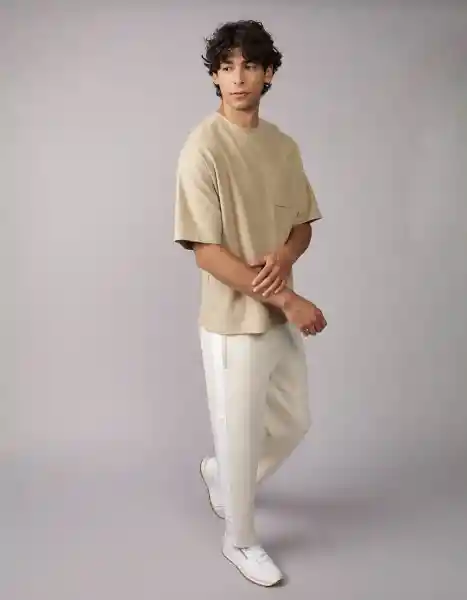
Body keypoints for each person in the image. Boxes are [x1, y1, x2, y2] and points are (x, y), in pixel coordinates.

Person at [173, 19, 327, 587]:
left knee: (293, 421)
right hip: (230, 322)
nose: (238, 78)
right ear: (215, 77)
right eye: (226, 67)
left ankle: (222, 473)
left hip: (274, 313)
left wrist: (284, 256)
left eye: (250, 66)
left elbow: (302, 225)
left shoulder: (282, 146)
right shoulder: (202, 148)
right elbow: (207, 254)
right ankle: (239, 538)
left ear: (269, 74)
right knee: (239, 432)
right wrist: (288, 297)